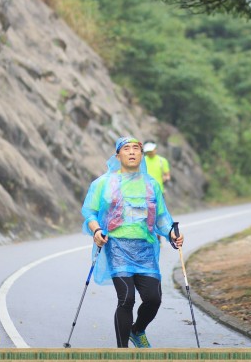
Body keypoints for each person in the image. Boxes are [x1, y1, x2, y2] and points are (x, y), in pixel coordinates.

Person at [81, 136, 184, 348]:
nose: (131, 152)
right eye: (126, 148)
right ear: (117, 155)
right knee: (126, 299)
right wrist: (97, 230)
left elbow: (161, 217)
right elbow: (90, 212)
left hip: (145, 250)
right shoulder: (104, 183)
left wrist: (171, 234)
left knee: (153, 299)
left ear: (141, 155)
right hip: (117, 247)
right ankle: (123, 352)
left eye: (136, 148)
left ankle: (137, 331)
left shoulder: (151, 185)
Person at [143, 140, 171, 244]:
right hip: (145, 192)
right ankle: (149, 237)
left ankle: (158, 238)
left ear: (155, 149)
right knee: (146, 215)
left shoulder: (162, 161)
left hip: (159, 192)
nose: (150, 152)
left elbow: (167, 175)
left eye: (151, 150)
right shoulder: (142, 161)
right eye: (148, 151)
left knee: (158, 214)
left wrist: (166, 178)